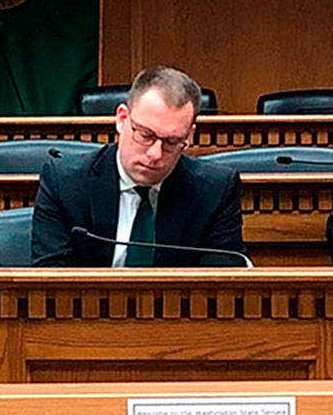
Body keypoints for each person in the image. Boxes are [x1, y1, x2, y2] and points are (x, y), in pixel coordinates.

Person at [31, 66, 246, 267]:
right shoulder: (65, 183)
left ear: (189, 135)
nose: (155, 155)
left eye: (171, 142)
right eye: (145, 135)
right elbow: (52, 279)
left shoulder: (214, 191)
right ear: (122, 119)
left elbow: (221, 287)